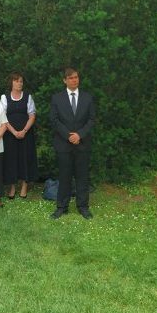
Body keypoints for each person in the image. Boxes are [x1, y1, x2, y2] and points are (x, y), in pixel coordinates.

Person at [50, 68, 96, 219]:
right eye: (70, 78)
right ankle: (62, 207)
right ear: (65, 80)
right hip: (64, 144)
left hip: (82, 144)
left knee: (82, 177)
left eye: (76, 77)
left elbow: (91, 120)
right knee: (64, 176)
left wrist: (79, 135)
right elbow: (54, 120)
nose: (74, 80)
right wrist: (69, 136)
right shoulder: (57, 98)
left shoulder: (87, 98)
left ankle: (83, 207)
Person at [1, 72, 37, 199]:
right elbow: (2, 118)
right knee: (10, 159)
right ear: (11, 82)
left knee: (25, 158)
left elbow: (32, 115)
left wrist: (24, 131)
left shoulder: (28, 97)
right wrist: (14, 132)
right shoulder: (4, 97)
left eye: (21, 81)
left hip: (26, 134)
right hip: (9, 134)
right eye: (16, 81)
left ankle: (24, 186)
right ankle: (11, 187)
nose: (19, 83)